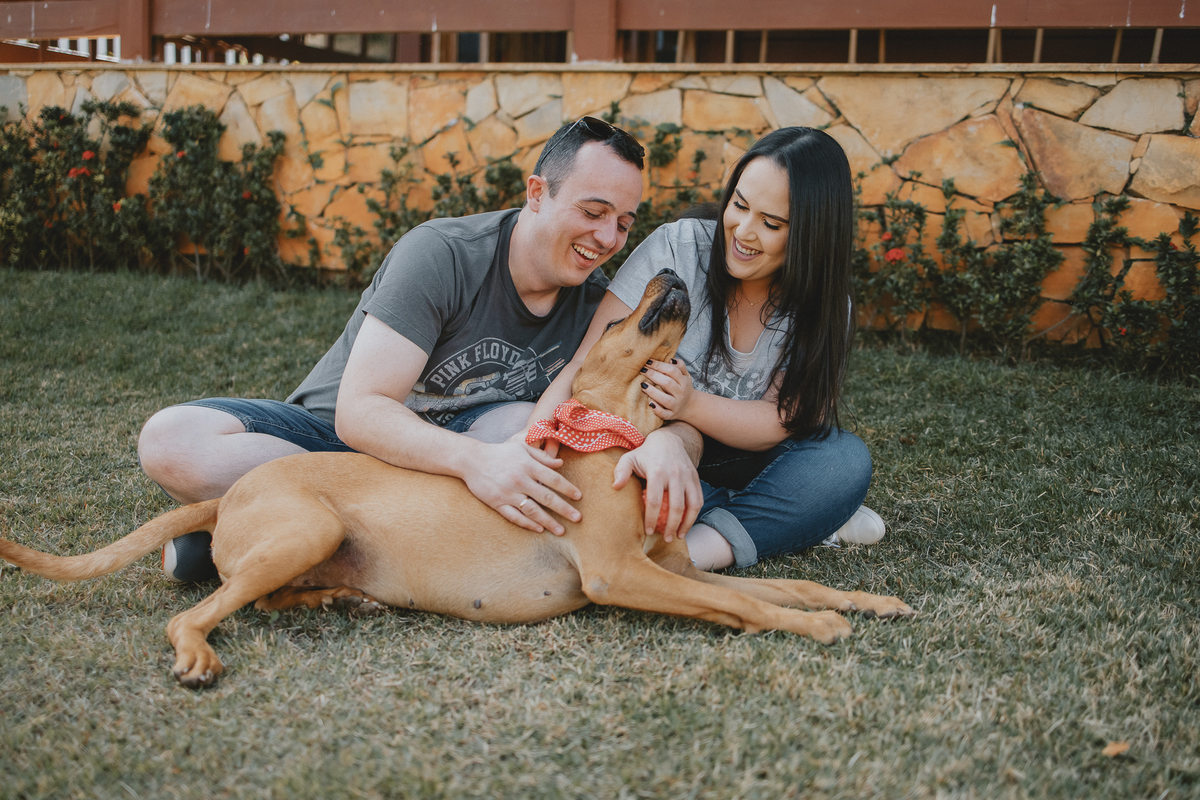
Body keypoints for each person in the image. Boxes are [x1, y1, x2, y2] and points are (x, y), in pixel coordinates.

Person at [138, 117, 661, 582]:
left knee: (521, 428)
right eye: (593, 211)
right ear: (537, 192)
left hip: (449, 481)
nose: (606, 237)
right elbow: (360, 412)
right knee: (172, 440)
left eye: (623, 223)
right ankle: (334, 535)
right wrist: (474, 461)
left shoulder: (597, 306)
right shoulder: (442, 254)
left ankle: (269, 540)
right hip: (330, 449)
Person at [527, 126, 883, 572]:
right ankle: (792, 517)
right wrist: (530, 446)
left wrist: (690, 405)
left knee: (843, 461)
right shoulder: (679, 247)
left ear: (813, 235)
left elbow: (784, 418)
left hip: (741, 455)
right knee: (808, 492)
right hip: (641, 448)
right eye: (739, 205)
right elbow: (589, 360)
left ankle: (688, 556)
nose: (743, 232)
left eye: (771, 224)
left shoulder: (824, 306)